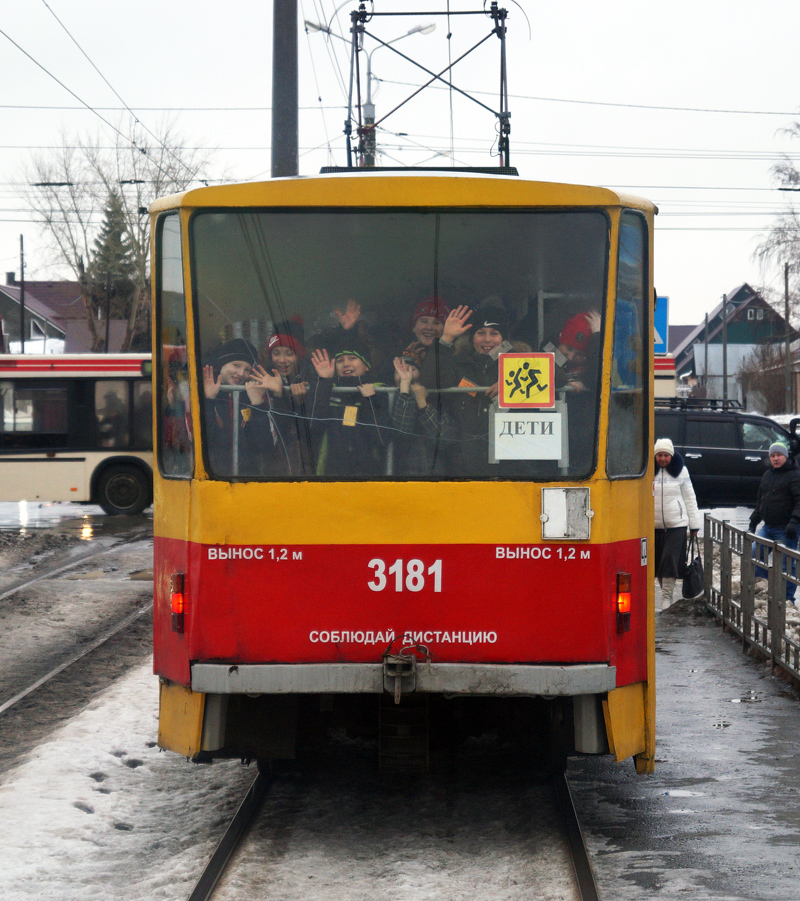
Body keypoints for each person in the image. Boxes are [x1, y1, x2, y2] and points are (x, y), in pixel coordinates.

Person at [419, 304, 511, 475]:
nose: (487, 340)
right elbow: (429, 381)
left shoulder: (518, 362)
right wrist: (445, 338)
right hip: (463, 460)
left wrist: (511, 382)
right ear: (472, 338)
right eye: (480, 333)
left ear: (504, 338)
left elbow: (558, 377)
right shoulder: (459, 363)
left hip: (506, 458)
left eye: (494, 333)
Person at [307, 334, 388, 477]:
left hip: (368, 476)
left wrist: (370, 399)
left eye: (352, 358)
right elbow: (314, 426)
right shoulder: (327, 388)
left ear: (366, 365)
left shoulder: (378, 390)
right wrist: (324, 381)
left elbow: (382, 438)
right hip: (331, 474)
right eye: (340, 360)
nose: (346, 364)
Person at [202, 337, 278, 477]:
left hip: (248, 479)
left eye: (247, 369)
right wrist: (208, 400)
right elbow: (204, 440)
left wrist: (257, 404)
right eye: (236, 365)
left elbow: (265, 445)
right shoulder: (203, 390)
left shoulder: (254, 393)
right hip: (212, 477)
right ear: (223, 364)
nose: (241, 373)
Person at [748, 441, 800, 602]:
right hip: (768, 526)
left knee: (787, 564)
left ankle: (786, 599)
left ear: (785, 456)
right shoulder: (768, 475)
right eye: (772, 456)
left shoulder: (795, 475)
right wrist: (754, 519)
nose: (775, 459)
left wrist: (794, 521)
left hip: (787, 528)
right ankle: (763, 588)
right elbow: (761, 500)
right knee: (756, 554)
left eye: (778, 455)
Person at [653, 437, 702, 609]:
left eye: (666, 455)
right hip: (654, 526)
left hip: (677, 525)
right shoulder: (647, 472)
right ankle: (665, 590)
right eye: (659, 455)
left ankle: (666, 595)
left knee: (670, 560)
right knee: (658, 562)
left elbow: (690, 497)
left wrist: (694, 524)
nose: (663, 459)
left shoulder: (681, 471)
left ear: (671, 456)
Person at [389, 344, 449, 476]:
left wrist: (422, 402)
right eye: (399, 371)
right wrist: (404, 387)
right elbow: (401, 433)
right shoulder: (389, 399)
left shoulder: (435, 399)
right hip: (402, 474)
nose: (406, 374)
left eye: (412, 369)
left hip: (434, 475)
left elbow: (443, 440)